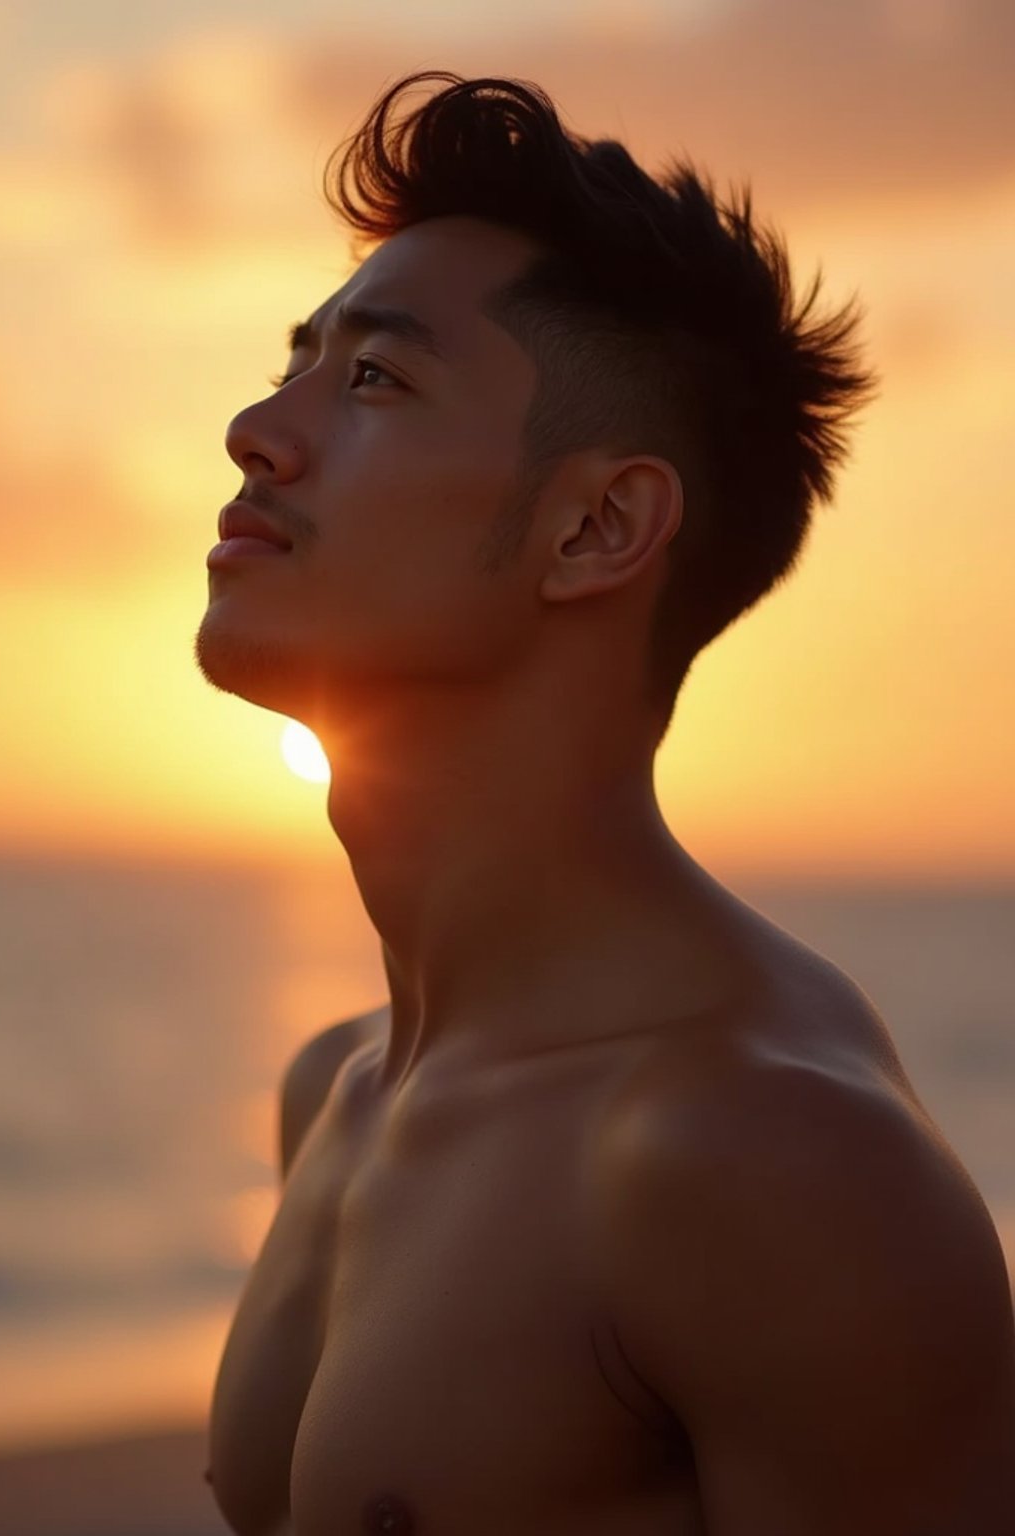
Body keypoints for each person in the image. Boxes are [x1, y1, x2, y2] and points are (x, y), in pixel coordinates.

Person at [194, 69, 1015, 1536]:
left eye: (372, 379)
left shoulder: (772, 1166)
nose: (259, 425)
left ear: (595, 527)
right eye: (296, 360)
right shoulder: (340, 1086)